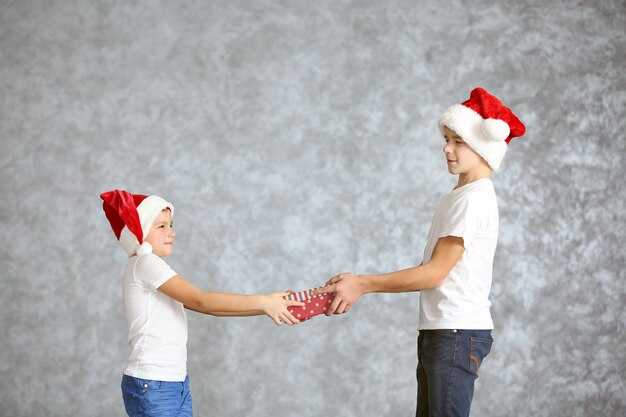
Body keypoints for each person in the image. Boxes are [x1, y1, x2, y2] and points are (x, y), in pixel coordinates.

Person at [314, 87, 526, 417]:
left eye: (458, 141)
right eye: (446, 138)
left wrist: (362, 284)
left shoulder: (473, 199)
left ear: (483, 144)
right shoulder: (457, 198)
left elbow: (434, 273)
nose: (446, 148)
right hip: (442, 331)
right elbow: (432, 269)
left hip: (456, 334)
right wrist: (356, 284)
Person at [100, 190, 304, 417]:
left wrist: (266, 306)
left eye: (171, 225)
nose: (172, 232)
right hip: (154, 383)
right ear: (140, 233)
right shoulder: (145, 263)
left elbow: (208, 307)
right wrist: (264, 302)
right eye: (161, 226)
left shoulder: (151, 268)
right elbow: (201, 299)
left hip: (172, 381)